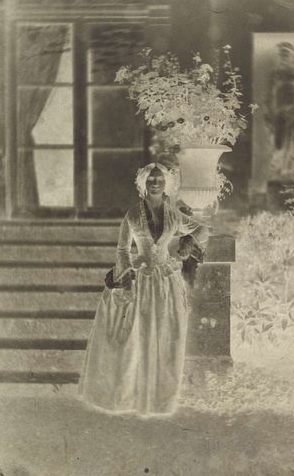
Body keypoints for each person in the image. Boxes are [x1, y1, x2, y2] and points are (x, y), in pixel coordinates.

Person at [78, 163, 209, 416]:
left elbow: (202, 229)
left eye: (159, 179)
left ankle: (157, 399)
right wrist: (126, 279)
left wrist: (188, 239)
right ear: (143, 184)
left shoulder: (173, 215)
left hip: (165, 282)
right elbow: (122, 249)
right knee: (134, 339)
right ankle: (130, 396)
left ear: (166, 184)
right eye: (150, 179)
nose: (155, 183)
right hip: (140, 278)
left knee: (163, 336)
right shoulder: (133, 215)